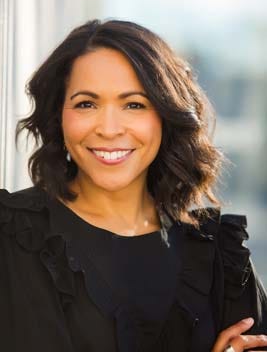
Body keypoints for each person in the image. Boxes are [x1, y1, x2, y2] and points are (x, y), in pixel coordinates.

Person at [0, 19, 266, 352]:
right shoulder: (12, 237)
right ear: (58, 114)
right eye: (87, 103)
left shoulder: (220, 258)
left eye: (134, 105)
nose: (109, 129)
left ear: (166, 116)